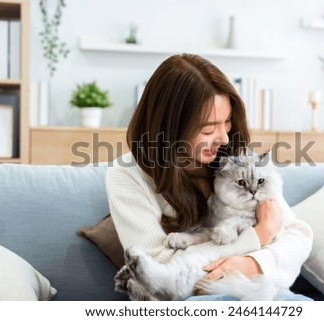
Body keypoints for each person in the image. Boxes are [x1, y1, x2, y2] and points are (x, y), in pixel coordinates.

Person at [106, 53, 313, 301]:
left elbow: (297, 236)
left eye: (227, 122)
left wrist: (253, 264)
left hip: (261, 292)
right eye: (207, 129)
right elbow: (158, 271)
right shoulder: (126, 176)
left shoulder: (239, 162)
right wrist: (259, 235)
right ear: (169, 129)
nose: (224, 138)